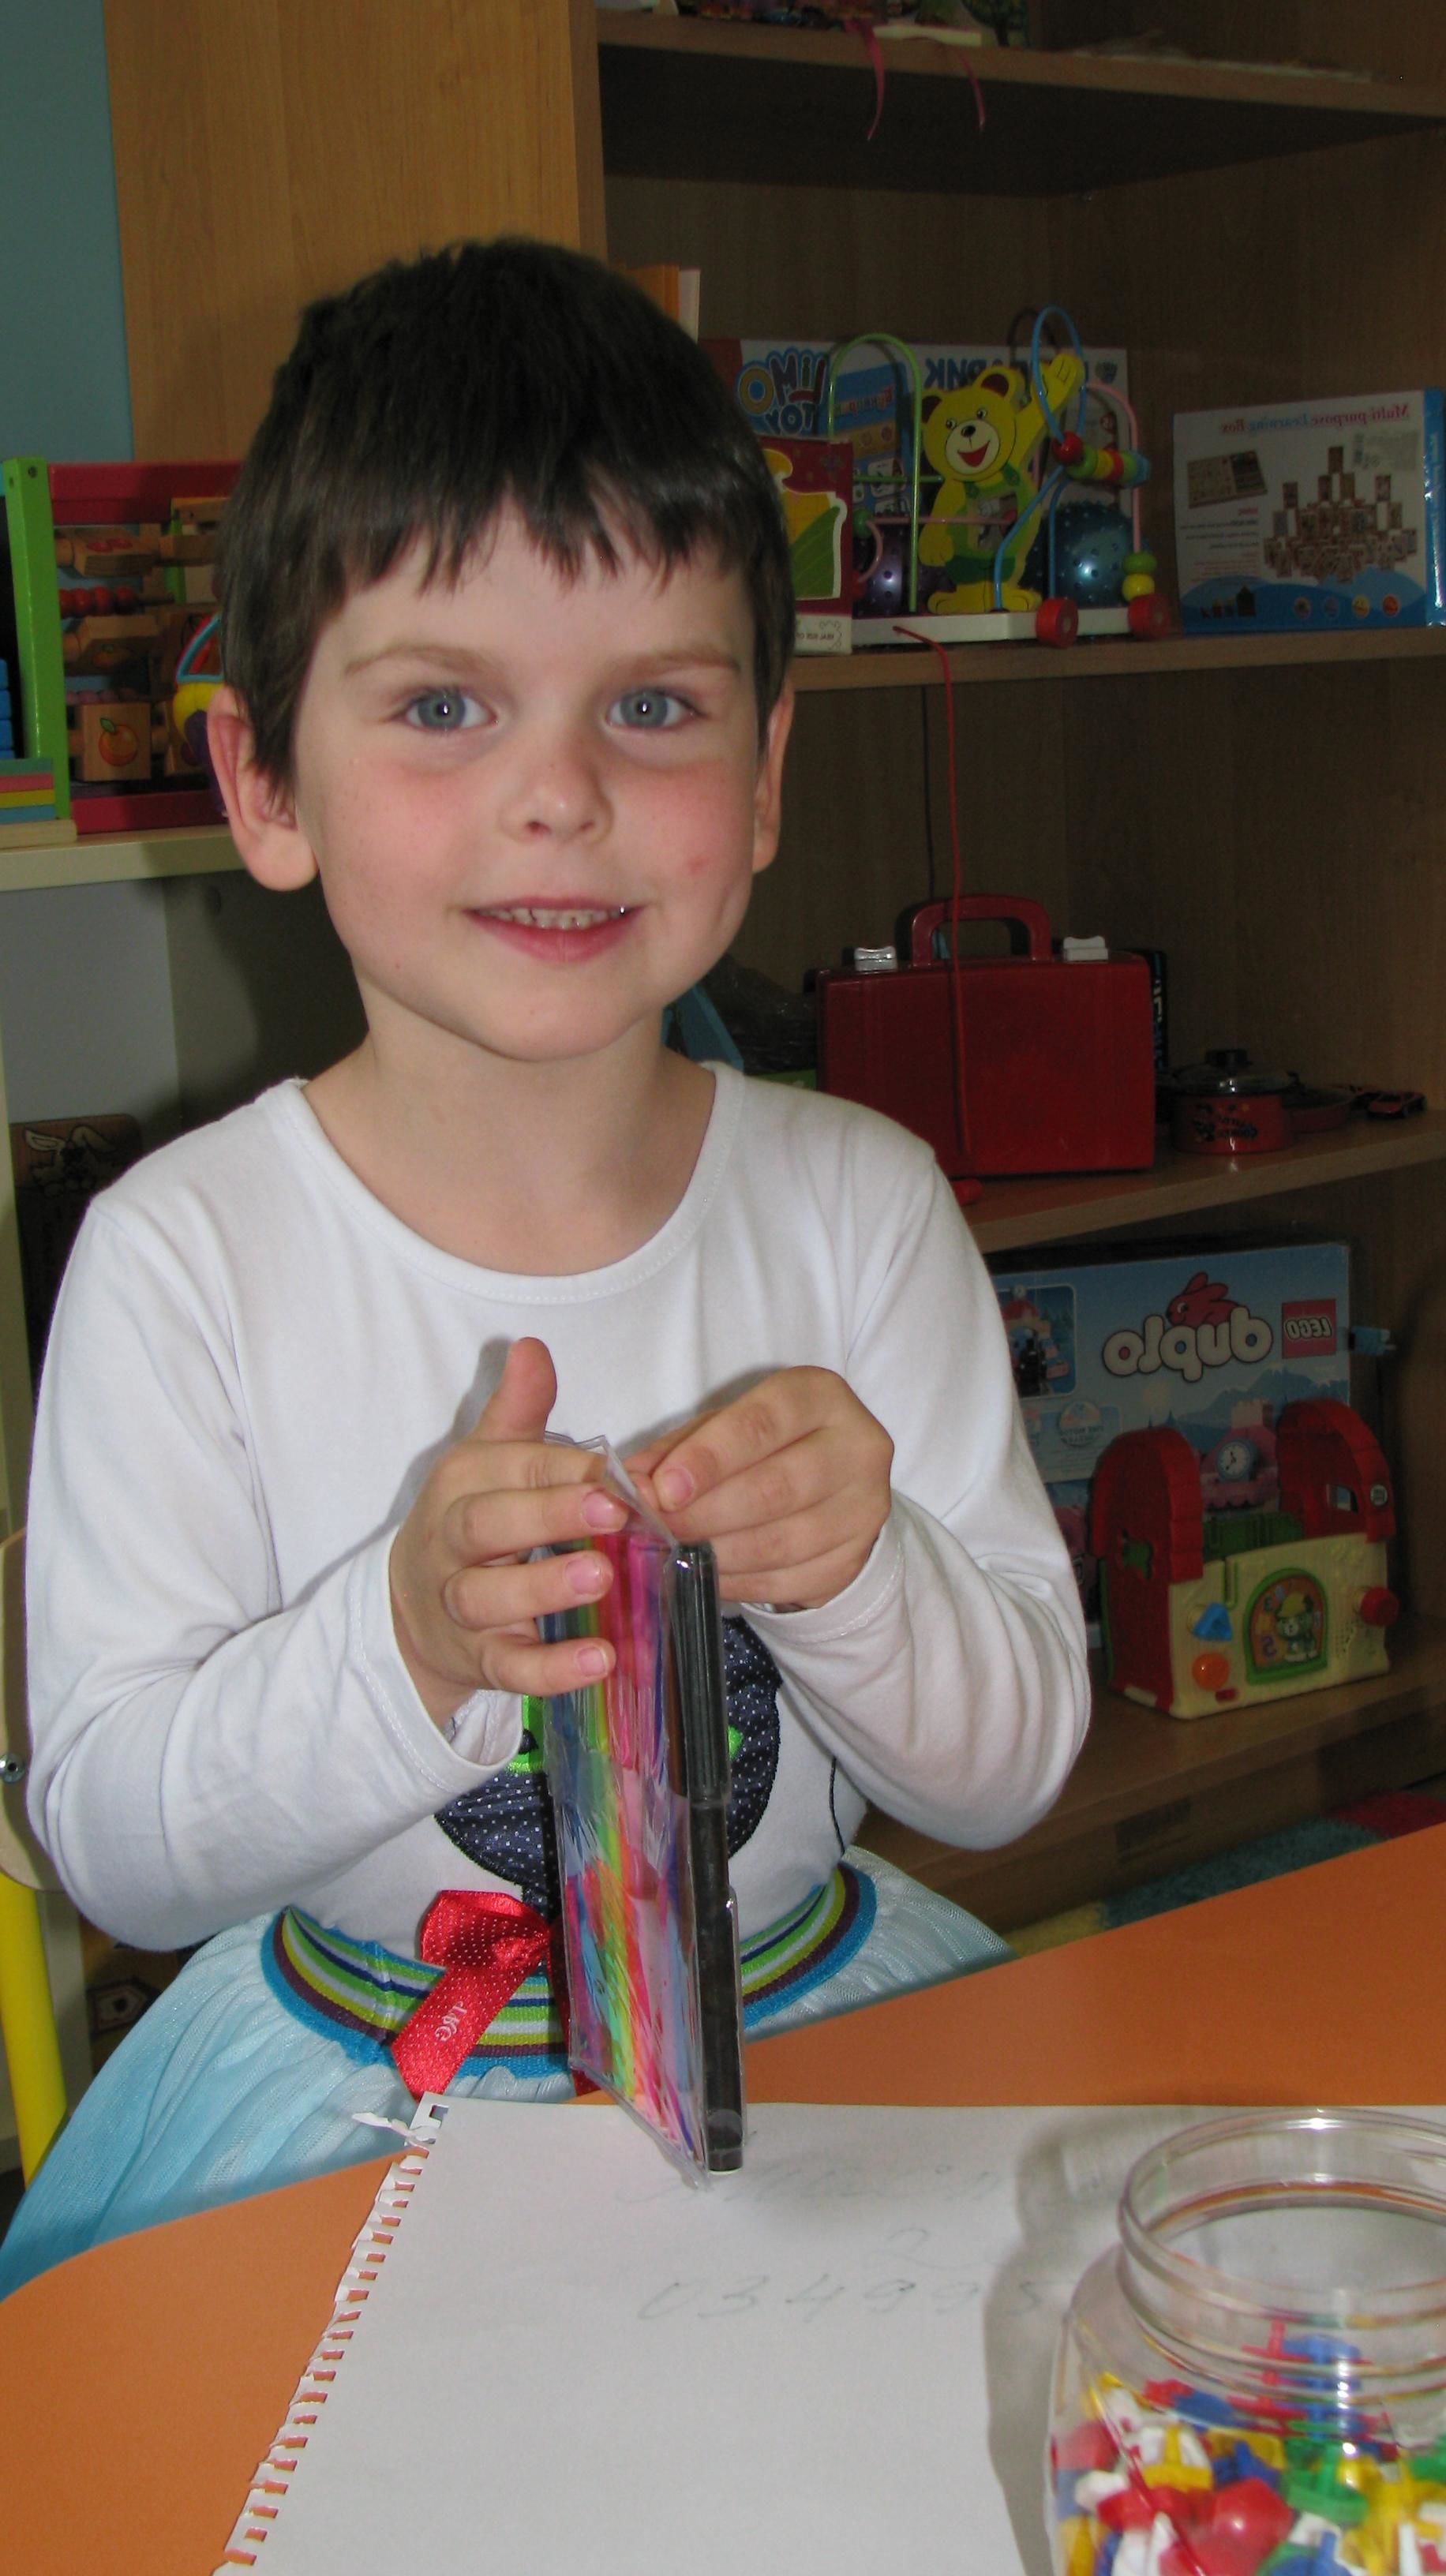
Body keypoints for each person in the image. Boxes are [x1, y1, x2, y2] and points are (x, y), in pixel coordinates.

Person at [0, 238, 1088, 2297]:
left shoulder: (864, 1206)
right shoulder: (183, 1257)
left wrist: (860, 1569)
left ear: (763, 781)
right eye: (442, 706)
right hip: (354, 2087)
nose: (562, 795)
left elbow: (1013, 1764)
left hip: (812, 2039)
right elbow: (122, 1846)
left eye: (653, 707)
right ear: (262, 784)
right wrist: (403, 1642)